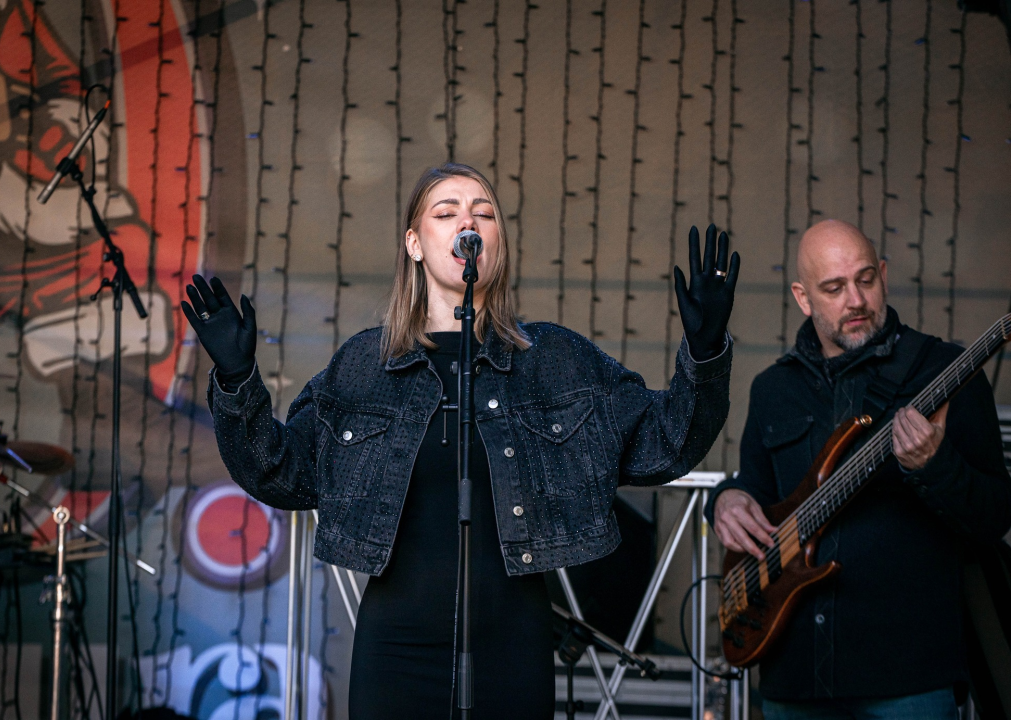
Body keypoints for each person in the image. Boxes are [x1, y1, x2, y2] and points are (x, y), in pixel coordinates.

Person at [183, 163, 740, 720]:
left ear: (496, 243)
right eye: (446, 213)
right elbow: (280, 472)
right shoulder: (364, 366)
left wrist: (705, 352)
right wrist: (236, 380)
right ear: (415, 243)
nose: (467, 223)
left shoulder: (552, 360)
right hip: (396, 650)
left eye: (484, 214)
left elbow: (663, 443)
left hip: (512, 646)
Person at [707, 219, 1011, 720]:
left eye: (866, 279)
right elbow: (757, 490)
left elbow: (995, 516)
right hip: (794, 680)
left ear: (883, 275)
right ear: (803, 298)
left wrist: (934, 466)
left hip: (908, 681)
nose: (856, 300)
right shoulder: (773, 389)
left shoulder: (945, 371)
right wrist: (726, 499)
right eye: (834, 288)